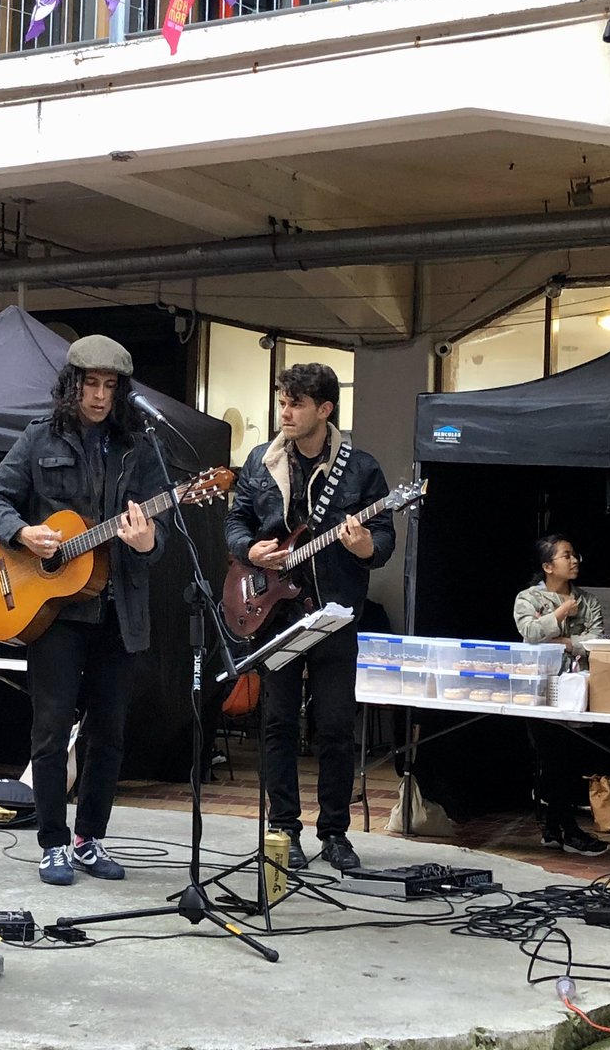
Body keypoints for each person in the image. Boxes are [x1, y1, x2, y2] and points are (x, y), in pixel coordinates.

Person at [0, 334, 169, 886]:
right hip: (56, 615)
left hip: (119, 610)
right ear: (72, 385)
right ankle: (53, 843)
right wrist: (23, 533)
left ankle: (89, 839)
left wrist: (146, 542)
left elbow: (161, 537)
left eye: (110, 386)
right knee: (52, 731)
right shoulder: (40, 437)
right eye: (90, 384)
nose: (100, 396)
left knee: (108, 733)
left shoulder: (140, 448)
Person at [224, 363, 394, 872]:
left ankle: (335, 833)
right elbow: (236, 521)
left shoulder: (361, 469)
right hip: (276, 612)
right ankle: (283, 829)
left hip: (334, 615)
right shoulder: (261, 461)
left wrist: (366, 546)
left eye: (296, 404)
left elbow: (384, 536)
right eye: (282, 402)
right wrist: (250, 549)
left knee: (337, 726)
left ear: (325, 409)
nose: (285, 412)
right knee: (277, 722)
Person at [512, 535, 608, 856]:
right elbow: (530, 633)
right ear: (548, 566)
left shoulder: (588, 600)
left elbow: (596, 639)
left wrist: (564, 642)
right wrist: (560, 613)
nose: (574, 560)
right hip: (540, 689)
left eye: (574, 554)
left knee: (569, 758)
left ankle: (554, 829)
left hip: (577, 690)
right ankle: (569, 830)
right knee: (552, 758)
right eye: (566, 555)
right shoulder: (528, 598)